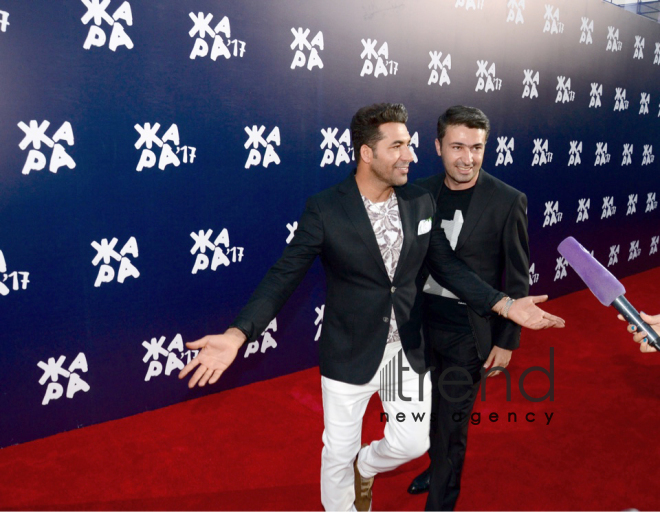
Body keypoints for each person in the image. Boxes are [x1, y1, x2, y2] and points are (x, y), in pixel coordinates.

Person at [178, 103, 564, 512]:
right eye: (397, 146)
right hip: (349, 350)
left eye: (410, 145)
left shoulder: (418, 201)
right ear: (367, 153)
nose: (410, 156)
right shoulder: (325, 209)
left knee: (412, 441)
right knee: (337, 453)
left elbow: (447, 266)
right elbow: (283, 276)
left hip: (404, 352)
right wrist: (238, 334)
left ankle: (367, 465)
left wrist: (504, 305)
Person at [406, 105, 530, 511]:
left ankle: (442, 501)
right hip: (419, 325)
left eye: (477, 147)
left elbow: (516, 278)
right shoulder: (417, 193)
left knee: (451, 424)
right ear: (438, 146)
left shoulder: (507, 200)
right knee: (423, 414)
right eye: (457, 146)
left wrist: (507, 340)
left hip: (469, 331)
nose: (468, 157)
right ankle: (433, 468)